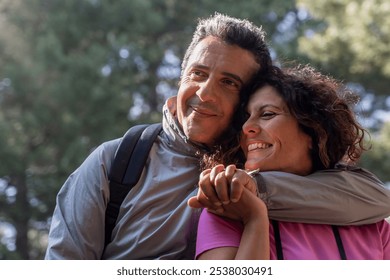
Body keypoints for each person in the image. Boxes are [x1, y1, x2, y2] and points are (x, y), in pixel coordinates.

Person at [45, 13, 390, 260]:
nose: (205, 93)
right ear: (181, 79)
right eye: (198, 74)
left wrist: (251, 188)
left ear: (247, 100)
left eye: (228, 82)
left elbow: (375, 199)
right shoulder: (117, 160)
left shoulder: (265, 159)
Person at [195, 65, 390, 260]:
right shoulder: (225, 208)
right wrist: (255, 219)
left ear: (314, 133)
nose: (247, 127)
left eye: (267, 114)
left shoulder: (374, 225)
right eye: (246, 118)